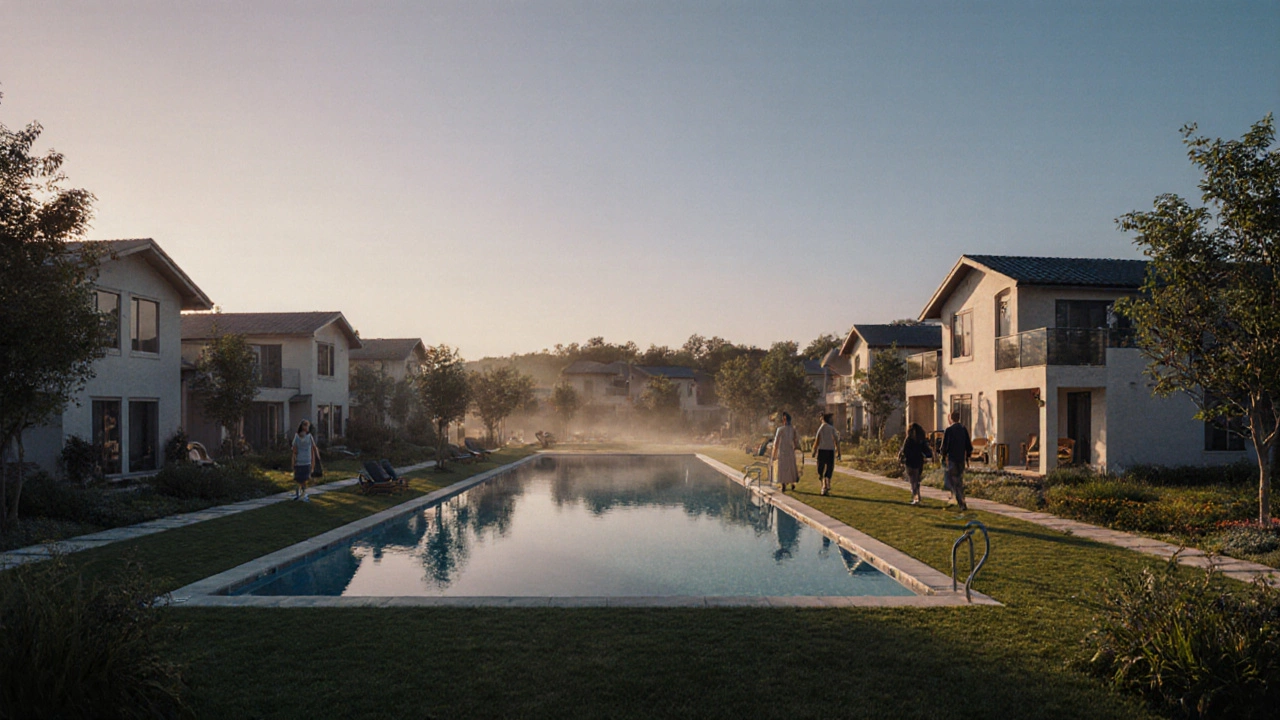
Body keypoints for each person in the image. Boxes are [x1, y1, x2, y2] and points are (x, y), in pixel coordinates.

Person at [939, 410, 972, 512]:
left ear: (951, 418)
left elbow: (945, 445)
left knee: (954, 481)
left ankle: (960, 501)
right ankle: (959, 497)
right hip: (961, 459)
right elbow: (968, 445)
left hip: (952, 458)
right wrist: (968, 456)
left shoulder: (949, 430)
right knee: (959, 480)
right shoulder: (963, 429)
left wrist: (943, 455)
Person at [897, 422, 933, 505]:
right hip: (918, 462)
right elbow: (926, 451)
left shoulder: (908, 440)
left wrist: (901, 458)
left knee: (913, 481)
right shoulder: (920, 440)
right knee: (916, 481)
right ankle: (917, 497)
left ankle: (916, 498)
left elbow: (904, 450)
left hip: (910, 462)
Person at [771, 412, 802, 492]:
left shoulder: (781, 429)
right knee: (789, 467)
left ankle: (785, 484)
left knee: (784, 468)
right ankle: (789, 483)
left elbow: (776, 443)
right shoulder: (792, 429)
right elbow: (796, 441)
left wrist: (774, 454)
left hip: (784, 450)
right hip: (788, 450)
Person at [812, 412, 842, 496]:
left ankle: (824, 486)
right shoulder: (832, 428)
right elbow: (836, 441)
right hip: (830, 451)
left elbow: (817, 440)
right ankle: (826, 483)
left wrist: (814, 450)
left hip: (822, 451)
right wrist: (839, 452)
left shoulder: (821, 428)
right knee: (829, 468)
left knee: (820, 470)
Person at [291, 419, 320, 502]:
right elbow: (314, 447)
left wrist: (294, 459)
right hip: (307, 460)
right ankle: (303, 493)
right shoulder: (309, 436)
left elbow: (294, 449)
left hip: (299, 460)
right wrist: (317, 457)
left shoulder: (296, 436)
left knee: (299, 478)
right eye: (307, 426)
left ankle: (299, 493)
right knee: (304, 478)